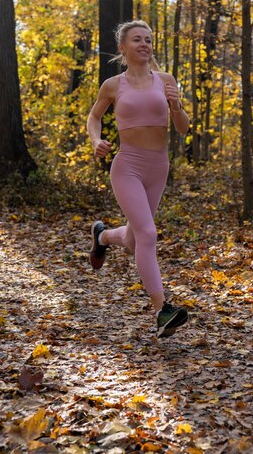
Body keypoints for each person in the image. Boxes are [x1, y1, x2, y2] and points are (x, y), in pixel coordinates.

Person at [87, 20, 190, 338]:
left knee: (134, 239)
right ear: (123, 48)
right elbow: (94, 116)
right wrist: (96, 141)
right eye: (137, 39)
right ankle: (162, 311)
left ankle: (102, 236)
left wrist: (175, 104)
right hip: (127, 166)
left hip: (158, 167)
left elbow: (183, 128)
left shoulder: (166, 80)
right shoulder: (113, 85)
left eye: (148, 39)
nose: (144, 44)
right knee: (147, 233)